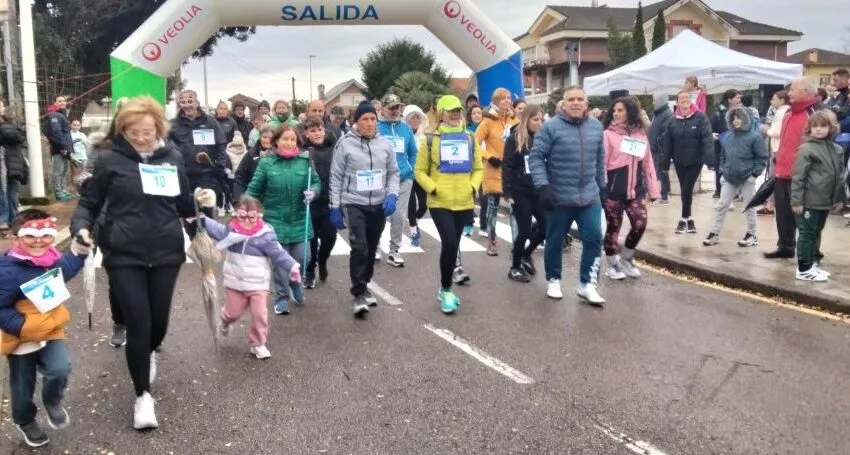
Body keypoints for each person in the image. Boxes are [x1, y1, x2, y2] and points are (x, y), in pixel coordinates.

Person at [71, 96, 202, 430]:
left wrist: (201, 225)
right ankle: (143, 396)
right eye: (132, 132)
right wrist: (81, 228)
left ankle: (150, 351)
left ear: (158, 128)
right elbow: (89, 201)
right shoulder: (110, 159)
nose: (140, 138)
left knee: (158, 322)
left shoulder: (171, 156)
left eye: (146, 131)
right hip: (123, 252)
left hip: (165, 252)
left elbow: (184, 202)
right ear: (122, 129)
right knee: (138, 323)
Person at [0, 209, 91, 447]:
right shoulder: (6, 270)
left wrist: (79, 253)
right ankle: (25, 419)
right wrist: (21, 326)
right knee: (22, 384)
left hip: (51, 327)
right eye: (30, 235)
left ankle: (53, 401)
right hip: (21, 336)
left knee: (60, 369)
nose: (38, 241)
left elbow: (63, 272)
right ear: (16, 235)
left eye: (46, 235)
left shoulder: (50, 259)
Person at [528, 86, 606, 305]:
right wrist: (543, 187)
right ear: (563, 103)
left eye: (580, 99)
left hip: (589, 197)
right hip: (559, 197)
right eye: (571, 99)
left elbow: (600, 161)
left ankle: (588, 284)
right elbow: (536, 158)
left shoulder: (596, 127)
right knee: (554, 239)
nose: (575, 102)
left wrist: (603, 186)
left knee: (593, 238)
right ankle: (553, 279)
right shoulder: (550, 127)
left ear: (586, 103)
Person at [202, 195, 301, 358]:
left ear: (259, 215)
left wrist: (292, 267)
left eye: (252, 216)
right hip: (235, 284)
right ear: (236, 215)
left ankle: (258, 343)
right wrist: (202, 219)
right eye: (242, 215)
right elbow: (216, 229)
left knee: (259, 315)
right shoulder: (230, 231)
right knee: (232, 313)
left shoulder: (265, 235)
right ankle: (225, 321)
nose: (247, 220)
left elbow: (279, 253)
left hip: (258, 285)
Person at [329, 101, 400, 317]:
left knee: (370, 247)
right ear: (356, 122)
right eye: (364, 120)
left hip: (378, 203)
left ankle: (366, 282)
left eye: (372, 119)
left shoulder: (385, 144)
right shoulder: (344, 144)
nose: (369, 124)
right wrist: (335, 207)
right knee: (359, 247)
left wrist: (392, 194)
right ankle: (358, 293)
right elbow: (336, 176)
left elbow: (393, 172)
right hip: (354, 202)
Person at [414, 95, 483, 312]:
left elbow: (478, 168)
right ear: (441, 113)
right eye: (450, 110)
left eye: (458, 110)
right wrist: (433, 188)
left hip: (464, 200)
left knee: (455, 244)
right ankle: (446, 289)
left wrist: (473, 187)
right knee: (450, 243)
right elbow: (419, 172)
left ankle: (445, 286)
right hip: (439, 202)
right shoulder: (430, 139)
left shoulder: (470, 137)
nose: (455, 114)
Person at [246, 124, 320, 315]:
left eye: (292, 139)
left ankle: (296, 283)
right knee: (280, 265)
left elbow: (316, 181)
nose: (288, 143)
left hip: (300, 221)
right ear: (276, 141)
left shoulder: (305, 161)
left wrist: (314, 192)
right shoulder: (267, 163)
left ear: (297, 142)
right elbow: (253, 190)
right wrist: (246, 209)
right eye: (285, 139)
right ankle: (282, 297)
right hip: (275, 222)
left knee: (304, 259)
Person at [765, 77, 825, 259]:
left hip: (803, 176)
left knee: (806, 217)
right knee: (783, 214)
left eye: (793, 90)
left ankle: (813, 251)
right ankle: (786, 246)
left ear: (806, 91)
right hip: (782, 172)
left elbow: (822, 146)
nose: (789, 93)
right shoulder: (789, 113)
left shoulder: (816, 113)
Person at [601, 97, 660, 280]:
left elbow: (648, 164)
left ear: (630, 112)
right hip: (613, 191)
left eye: (620, 110)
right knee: (614, 227)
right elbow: (601, 163)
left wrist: (654, 190)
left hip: (636, 191)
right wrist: (602, 188)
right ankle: (612, 264)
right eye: (614, 111)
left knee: (640, 223)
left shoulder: (641, 134)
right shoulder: (607, 135)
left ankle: (626, 258)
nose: (616, 114)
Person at [791, 110, 846, 281]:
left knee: (816, 232)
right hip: (809, 200)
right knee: (807, 233)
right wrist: (797, 200)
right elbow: (798, 176)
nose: (818, 129)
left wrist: (838, 198)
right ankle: (804, 267)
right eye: (814, 126)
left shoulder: (836, 149)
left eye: (823, 126)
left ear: (831, 128)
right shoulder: (807, 149)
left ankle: (813, 262)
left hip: (825, 200)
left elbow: (840, 176)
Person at [702, 107, 768, 247]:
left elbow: (762, 157)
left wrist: (754, 174)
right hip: (729, 176)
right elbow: (723, 155)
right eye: (734, 118)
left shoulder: (755, 137)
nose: (736, 121)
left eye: (739, 118)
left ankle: (751, 234)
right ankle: (714, 233)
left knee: (749, 206)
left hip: (747, 177)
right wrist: (723, 171)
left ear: (746, 119)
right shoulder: (729, 136)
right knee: (722, 205)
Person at [168, 89, 227, 230]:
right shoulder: (173, 124)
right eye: (182, 102)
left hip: (206, 174)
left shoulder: (210, 121)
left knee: (207, 213)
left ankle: (210, 243)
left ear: (196, 102)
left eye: (190, 101)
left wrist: (220, 165)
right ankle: (194, 241)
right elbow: (167, 145)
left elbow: (221, 144)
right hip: (184, 175)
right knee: (188, 214)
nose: (187, 105)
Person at [502, 105, 546, 282]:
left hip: (538, 190)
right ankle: (514, 267)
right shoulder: (514, 139)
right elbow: (507, 165)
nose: (539, 123)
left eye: (541, 119)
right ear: (526, 120)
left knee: (547, 225)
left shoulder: (543, 138)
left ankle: (526, 254)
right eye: (536, 120)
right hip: (520, 191)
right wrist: (507, 191)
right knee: (524, 230)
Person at [662, 91, 714, 234]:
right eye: (681, 98)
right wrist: (665, 164)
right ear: (677, 102)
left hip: (695, 160)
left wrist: (710, 160)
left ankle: (683, 219)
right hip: (679, 161)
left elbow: (707, 139)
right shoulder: (672, 121)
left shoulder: (700, 117)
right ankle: (689, 219)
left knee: (686, 188)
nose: (684, 100)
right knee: (686, 189)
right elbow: (667, 143)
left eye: (686, 97)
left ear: (690, 100)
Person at [377, 94, 418, 267]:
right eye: (391, 108)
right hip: (381, 181)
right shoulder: (376, 128)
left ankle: (394, 250)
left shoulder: (406, 128)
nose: (395, 111)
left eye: (397, 108)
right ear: (383, 109)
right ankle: (375, 246)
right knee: (378, 215)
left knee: (399, 215)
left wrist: (411, 169)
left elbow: (413, 151)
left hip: (403, 179)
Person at [476, 88, 517, 254]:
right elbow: (474, 143)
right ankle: (492, 240)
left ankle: (516, 244)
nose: (507, 101)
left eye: (508, 98)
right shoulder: (487, 121)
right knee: (492, 207)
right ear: (496, 101)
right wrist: (489, 156)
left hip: (513, 170)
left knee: (515, 209)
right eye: (503, 99)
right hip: (494, 168)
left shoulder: (515, 120)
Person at [301, 117, 337, 288]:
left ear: (324, 130)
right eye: (313, 131)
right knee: (311, 239)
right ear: (307, 134)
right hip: (310, 202)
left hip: (329, 201)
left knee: (330, 238)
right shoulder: (303, 151)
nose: (317, 133)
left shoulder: (334, 147)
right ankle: (309, 270)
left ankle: (322, 261)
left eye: (319, 130)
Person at [760, 90, 791, 215]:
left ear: (782, 100)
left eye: (774, 99)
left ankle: (771, 205)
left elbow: (777, 132)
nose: (771, 101)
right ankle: (771, 203)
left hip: (777, 149)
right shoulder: (788, 111)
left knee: (774, 177)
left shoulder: (780, 112)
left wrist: (766, 130)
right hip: (781, 148)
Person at [402, 104, 429, 246]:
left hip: (420, 174)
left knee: (424, 204)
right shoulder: (404, 134)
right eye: (412, 117)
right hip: (407, 173)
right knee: (411, 203)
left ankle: (415, 221)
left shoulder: (423, 136)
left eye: (417, 117)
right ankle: (413, 232)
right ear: (407, 119)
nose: (415, 120)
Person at [0, 99, 27, 235]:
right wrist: (20, 131)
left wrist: (20, 130)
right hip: (6, 161)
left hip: (13, 162)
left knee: (13, 192)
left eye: (2, 105)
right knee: (3, 191)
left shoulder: (8, 124)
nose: (3, 108)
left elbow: (17, 138)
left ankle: (12, 219)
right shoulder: (7, 126)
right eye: (1, 105)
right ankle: (3, 220)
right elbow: (15, 137)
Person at [710, 89, 742, 197]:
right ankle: (720, 191)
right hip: (721, 146)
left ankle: (735, 191)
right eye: (737, 97)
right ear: (729, 100)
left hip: (736, 145)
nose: (739, 100)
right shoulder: (718, 113)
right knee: (721, 168)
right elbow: (712, 129)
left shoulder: (740, 111)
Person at [234, 124, 275, 201]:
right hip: (254, 197)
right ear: (260, 137)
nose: (267, 140)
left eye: (270, 138)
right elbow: (240, 177)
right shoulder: (251, 153)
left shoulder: (279, 155)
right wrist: (238, 199)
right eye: (264, 137)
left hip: (273, 199)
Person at [45, 95, 74, 201]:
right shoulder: (54, 115)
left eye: (64, 101)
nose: (63, 102)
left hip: (65, 147)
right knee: (58, 170)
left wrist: (68, 147)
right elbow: (56, 132)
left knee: (64, 170)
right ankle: (58, 191)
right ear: (55, 103)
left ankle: (63, 189)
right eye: (60, 101)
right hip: (59, 148)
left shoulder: (62, 115)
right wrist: (62, 146)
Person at [649, 93, 673, 205]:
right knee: (659, 173)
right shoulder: (657, 114)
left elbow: (666, 133)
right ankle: (663, 194)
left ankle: (664, 196)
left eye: (654, 100)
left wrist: (658, 142)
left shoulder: (667, 114)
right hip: (655, 148)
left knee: (661, 173)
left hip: (661, 150)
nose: (653, 102)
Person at [224, 130, 248, 213]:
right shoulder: (228, 152)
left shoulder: (246, 152)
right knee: (232, 193)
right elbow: (227, 163)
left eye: (240, 145)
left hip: (242, 176)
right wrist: (228, 171)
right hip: (231, 176)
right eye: (236, 145)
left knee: (242, 194)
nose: (238, 146)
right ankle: (232, 206)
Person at [69, 119, 88, 191]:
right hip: (74, 157)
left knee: (84, 174)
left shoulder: (82, 135)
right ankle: (76, 190)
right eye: (74, 125)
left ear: (80, 126)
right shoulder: (68, 134)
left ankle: (84, 189)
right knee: (75, 174)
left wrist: (84, 143)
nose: (76, 126)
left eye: (77, 125)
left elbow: (87, 145)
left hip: (83, 156)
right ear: (71, 125)